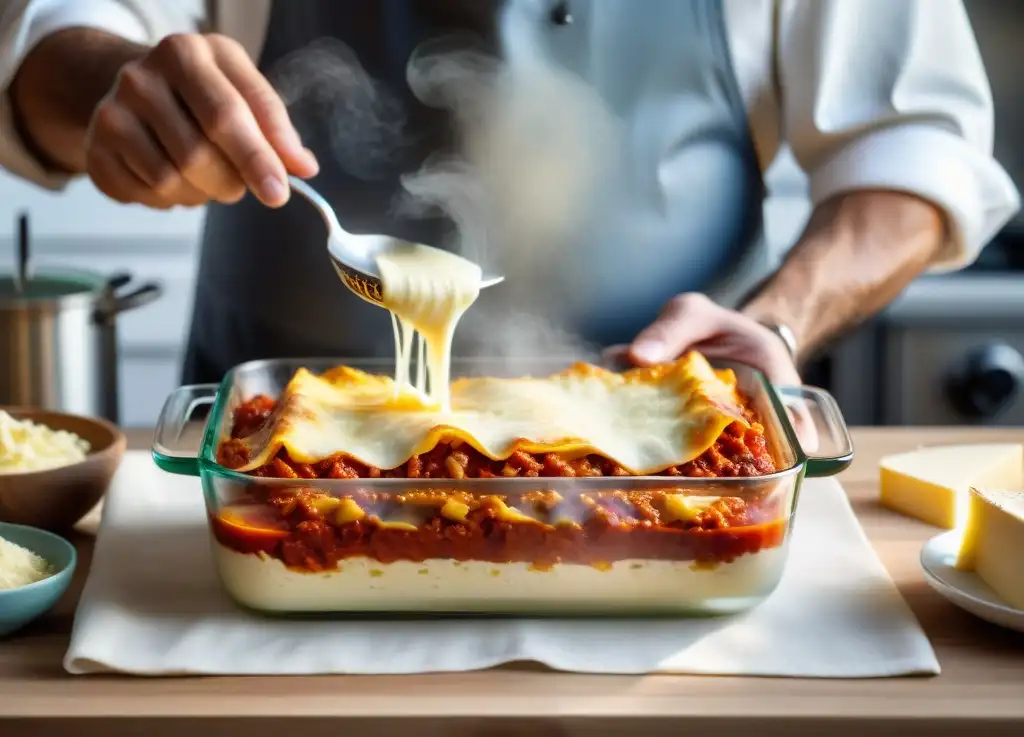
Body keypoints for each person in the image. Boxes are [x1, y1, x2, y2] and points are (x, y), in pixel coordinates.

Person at [0, 0, 1018, 388]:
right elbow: (49, 57)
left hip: (669, 453)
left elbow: (912, 149)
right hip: (270, 452)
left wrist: (779, 323)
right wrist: (118, 90)